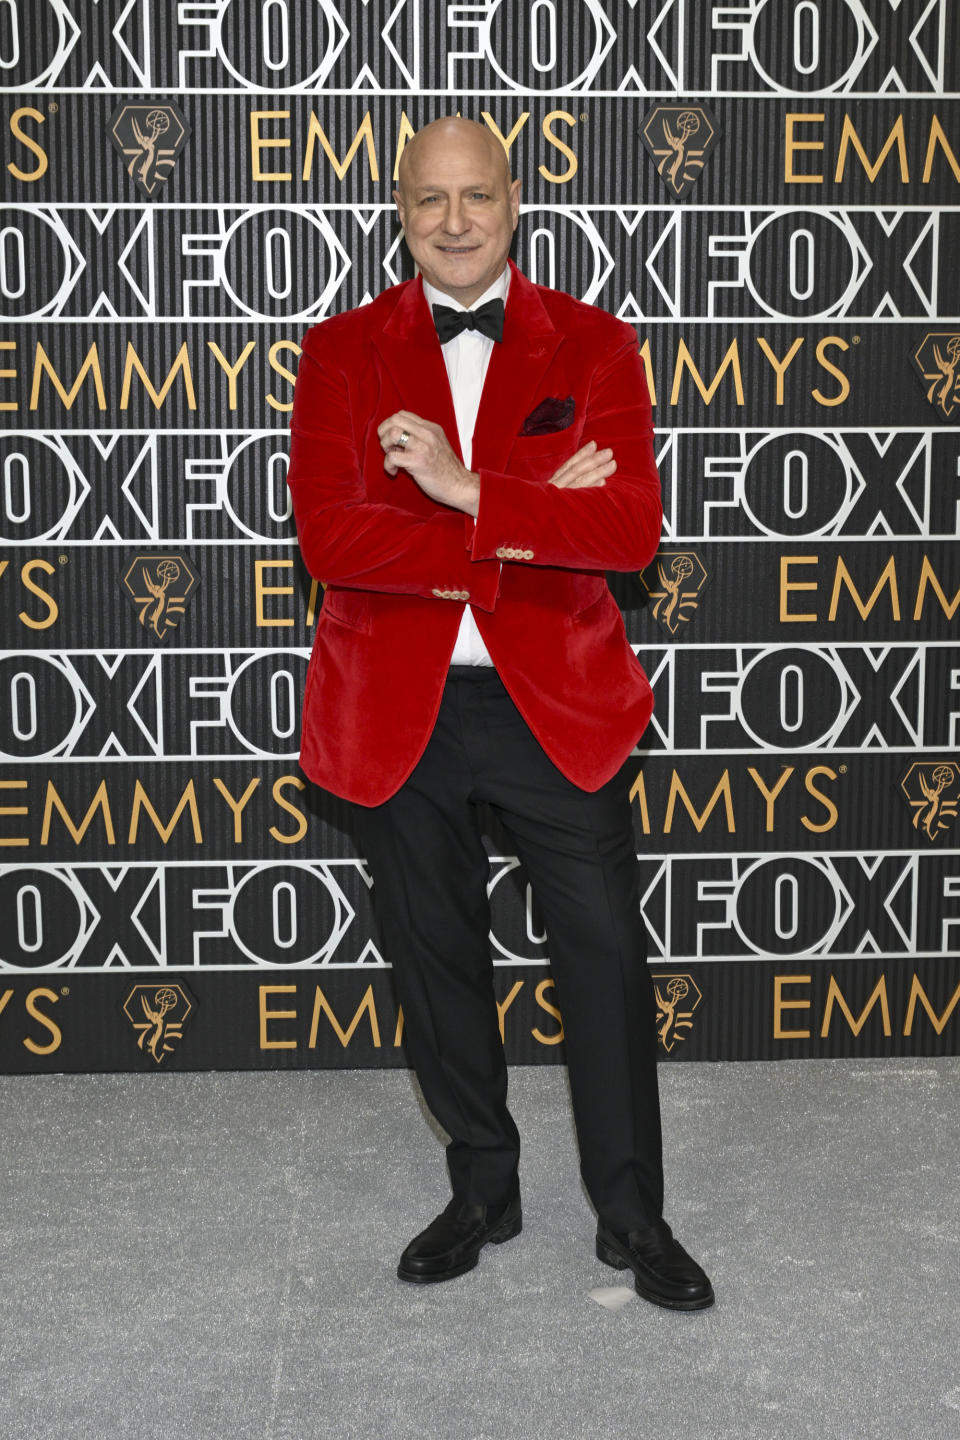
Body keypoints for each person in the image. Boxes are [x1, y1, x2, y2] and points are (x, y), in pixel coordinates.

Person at [287, 116, 713, 1311]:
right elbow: (334, 537)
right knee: (438, 961)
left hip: (555, 704)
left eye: (477, 195)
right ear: (401, 207)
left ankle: (634, 1219)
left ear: (515, 200)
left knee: (606, 964)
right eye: (431, 199)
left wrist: (466, 488)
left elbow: (629, 532)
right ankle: (485, 1187)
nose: (456, 220)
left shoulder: (593, 345)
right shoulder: (340, 352)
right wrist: (530, 514)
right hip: (397, 705)